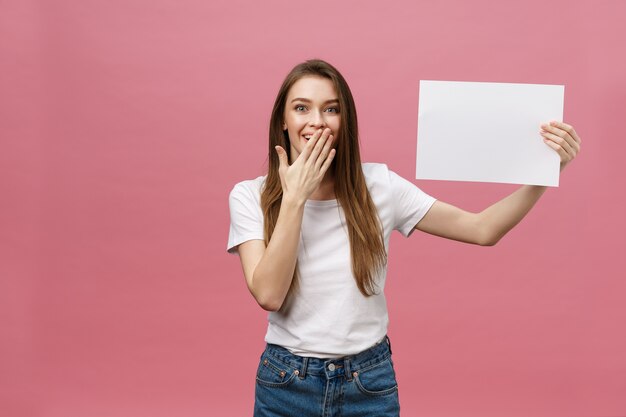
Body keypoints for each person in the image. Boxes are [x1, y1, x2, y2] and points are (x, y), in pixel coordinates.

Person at [227, 59, 581, 417]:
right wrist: (295, 199)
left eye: (330, 109)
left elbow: (482, 229)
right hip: (287, 384)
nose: (316, 120)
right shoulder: (249, 196)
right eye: (302, 108)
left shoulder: (381, 186)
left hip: (367, 383)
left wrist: (546, 172)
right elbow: (269, 294)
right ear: (283, 123)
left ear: (344, 121)